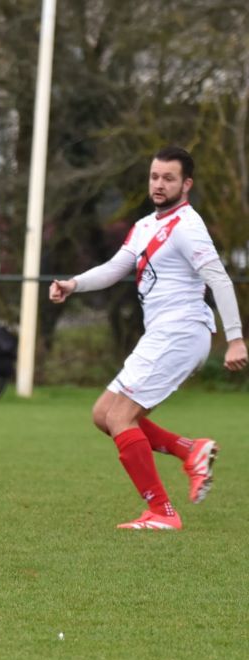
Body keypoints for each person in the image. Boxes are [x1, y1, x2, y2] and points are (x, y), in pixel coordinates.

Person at [49, 146, 247, 530]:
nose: (159, 184)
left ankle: (161, 512)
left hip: (182, 331)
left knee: (121, 417)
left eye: (168, 178)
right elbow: (113, 269)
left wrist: (236, 339)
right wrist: (74, 284)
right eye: (155, 176)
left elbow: (219, 279)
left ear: (186, 184)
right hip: (162, 333)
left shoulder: (188, 226)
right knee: (103, 415)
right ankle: (190, 450)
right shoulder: (144, 226)